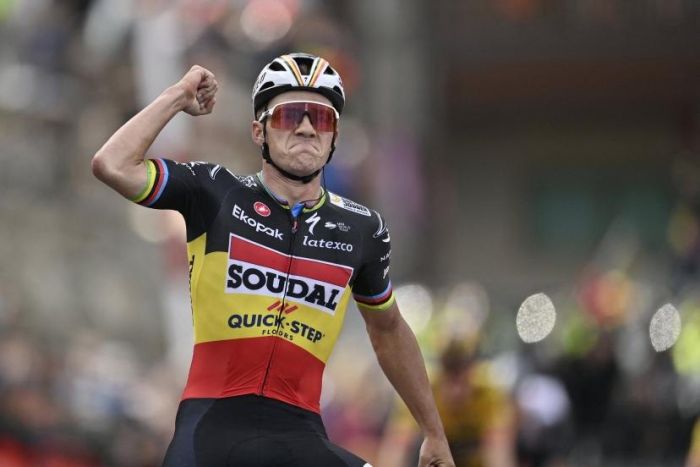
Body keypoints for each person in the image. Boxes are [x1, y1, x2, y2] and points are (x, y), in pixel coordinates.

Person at [91, 52, 454, 467]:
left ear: (334, 137)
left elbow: (388, 330)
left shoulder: (362, 229)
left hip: (299, 439)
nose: (306, 128)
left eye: (321, 119)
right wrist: (176, 96)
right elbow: (112, 164)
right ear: (258, 131)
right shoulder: (215, 191)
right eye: (289, 116)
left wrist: (433, 432)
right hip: (210, 436)